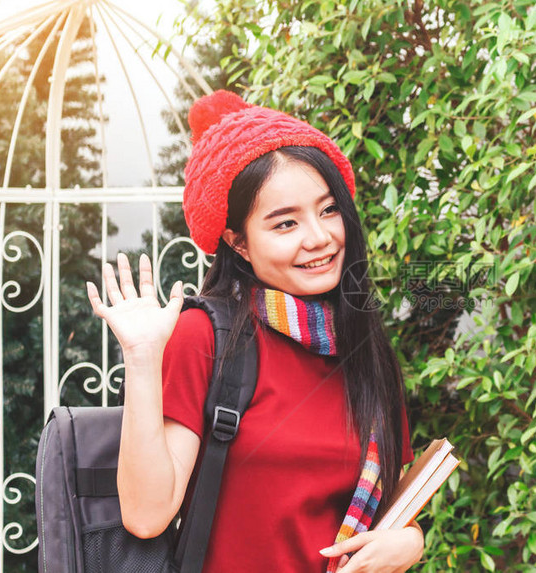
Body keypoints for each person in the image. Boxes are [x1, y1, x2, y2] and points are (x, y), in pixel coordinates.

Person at [86, 90, 425, 572]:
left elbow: (392, 508)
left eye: (328, 210)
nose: (319, 238)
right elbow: (146, 515)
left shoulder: (364, 351)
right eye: (285, 223)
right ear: (238, 243)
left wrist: (411, 543)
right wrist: (143, 359)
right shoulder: (205, 338)